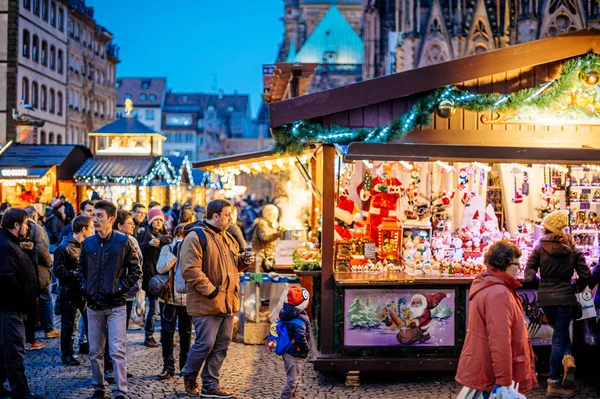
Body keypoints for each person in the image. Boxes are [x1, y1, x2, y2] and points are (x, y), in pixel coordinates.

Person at [180, 199, 254, 398]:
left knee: (221, 345)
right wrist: (211, 291)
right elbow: (190, 269)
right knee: (205, 343)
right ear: (215, 216)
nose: (231, 218)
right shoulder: (196, 237)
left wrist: (242, 262)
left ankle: (211, 384)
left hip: (228, 302)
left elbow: (232, 266)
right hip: (206, 302)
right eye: (227, 215)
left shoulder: (227, 237)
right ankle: (189, 376)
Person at [456, 241, 538, 398]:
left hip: (487, 367)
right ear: (505, 264)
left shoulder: (491, 285)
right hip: (492, 375)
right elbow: (500, 341)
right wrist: (504, 382)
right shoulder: (499, 293)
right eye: (516, 264)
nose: (519, 269)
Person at [78, 200, 141, 399]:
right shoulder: (88, 243)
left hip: (116, 305)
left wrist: (119, 288)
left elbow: (135, 270)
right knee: (95, 350)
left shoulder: (123, 242)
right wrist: (85, 287)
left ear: (111, 219)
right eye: (94, 216)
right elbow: (81, 270)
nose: (95, 220)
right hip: (94, 305)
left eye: (99, 216)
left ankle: (120, 391)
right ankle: (98, 387)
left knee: (117, 350)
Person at [525, 210, 589, 398]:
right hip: (566, 299)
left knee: (558, 334)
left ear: (547, 229)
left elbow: (528, 276)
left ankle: (564, 366)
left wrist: (540, 283)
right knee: (560, 337)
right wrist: (574, 286)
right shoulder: (573, 249)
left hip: (546, 299)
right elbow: (585, 275)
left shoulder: (539, 248)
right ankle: (556, 379)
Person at [0, 208, 45, 399]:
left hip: (14, 307)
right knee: (14, 351)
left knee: (5, 351)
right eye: (26, 223)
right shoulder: (6, 246)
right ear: (16, 225)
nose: (28, 227)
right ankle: (21, 392)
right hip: (11, 307)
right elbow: (6, 278)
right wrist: (23, 296)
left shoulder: (12, 243)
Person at [54, 215, 94, 366]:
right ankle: (67, 354)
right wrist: (74, 274)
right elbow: (58, 270)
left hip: (84, 292)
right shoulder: (64, 247)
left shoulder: (86, 245)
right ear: (83, 229)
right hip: (69, 292)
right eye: (90, 228)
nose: (93, 230)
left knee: (91, 322)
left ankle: (94, 350)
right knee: (68, 324)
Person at [155, 223, 191, 380]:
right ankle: (168, 366)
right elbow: (160, 268)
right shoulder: (168, 249)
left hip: (187, 299)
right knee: (167, 332)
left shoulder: (193, 250)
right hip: (168, 298)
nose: (181, 239)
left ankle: (185, 366)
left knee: (186, 333)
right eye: (180, 236)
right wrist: (175, 253)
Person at [23, 206, 60, 344]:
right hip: (39, 268)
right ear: (34, 216)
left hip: (31, 269)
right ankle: (49, 329)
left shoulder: (26, 227)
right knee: (46, 298)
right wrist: (49, 263)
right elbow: (42, 250)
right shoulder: (37, 228)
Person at [139, 207, 172, 348]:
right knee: (154, 309)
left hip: (165, 277)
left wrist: (162, 241)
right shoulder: (144, 234)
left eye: (160, 220)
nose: (158, 223)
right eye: (155, 220)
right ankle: (149, 335)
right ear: (150, 221)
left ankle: (165, 336)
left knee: (166, 309)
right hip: (151, 277)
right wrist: (148, 245)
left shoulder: (166, 234)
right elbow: (138, 251)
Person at [279, 286, 311, 399]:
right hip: (295, 352)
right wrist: (306, 348)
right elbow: (300, 337)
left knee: (296, 378)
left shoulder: (289, 312)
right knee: (293, 380)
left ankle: (294, 397)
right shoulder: (299, 318)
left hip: (290, 351)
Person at [252, 204, 281, 272]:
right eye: (271, 214)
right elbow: (265, 238)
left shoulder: (272, 225)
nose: (274, 217)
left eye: (276, 215)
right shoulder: (262, 224)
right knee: (257, 279)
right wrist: (279, 234)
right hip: (260, 258)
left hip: (267, 257)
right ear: (264, 214)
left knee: (266, 279)